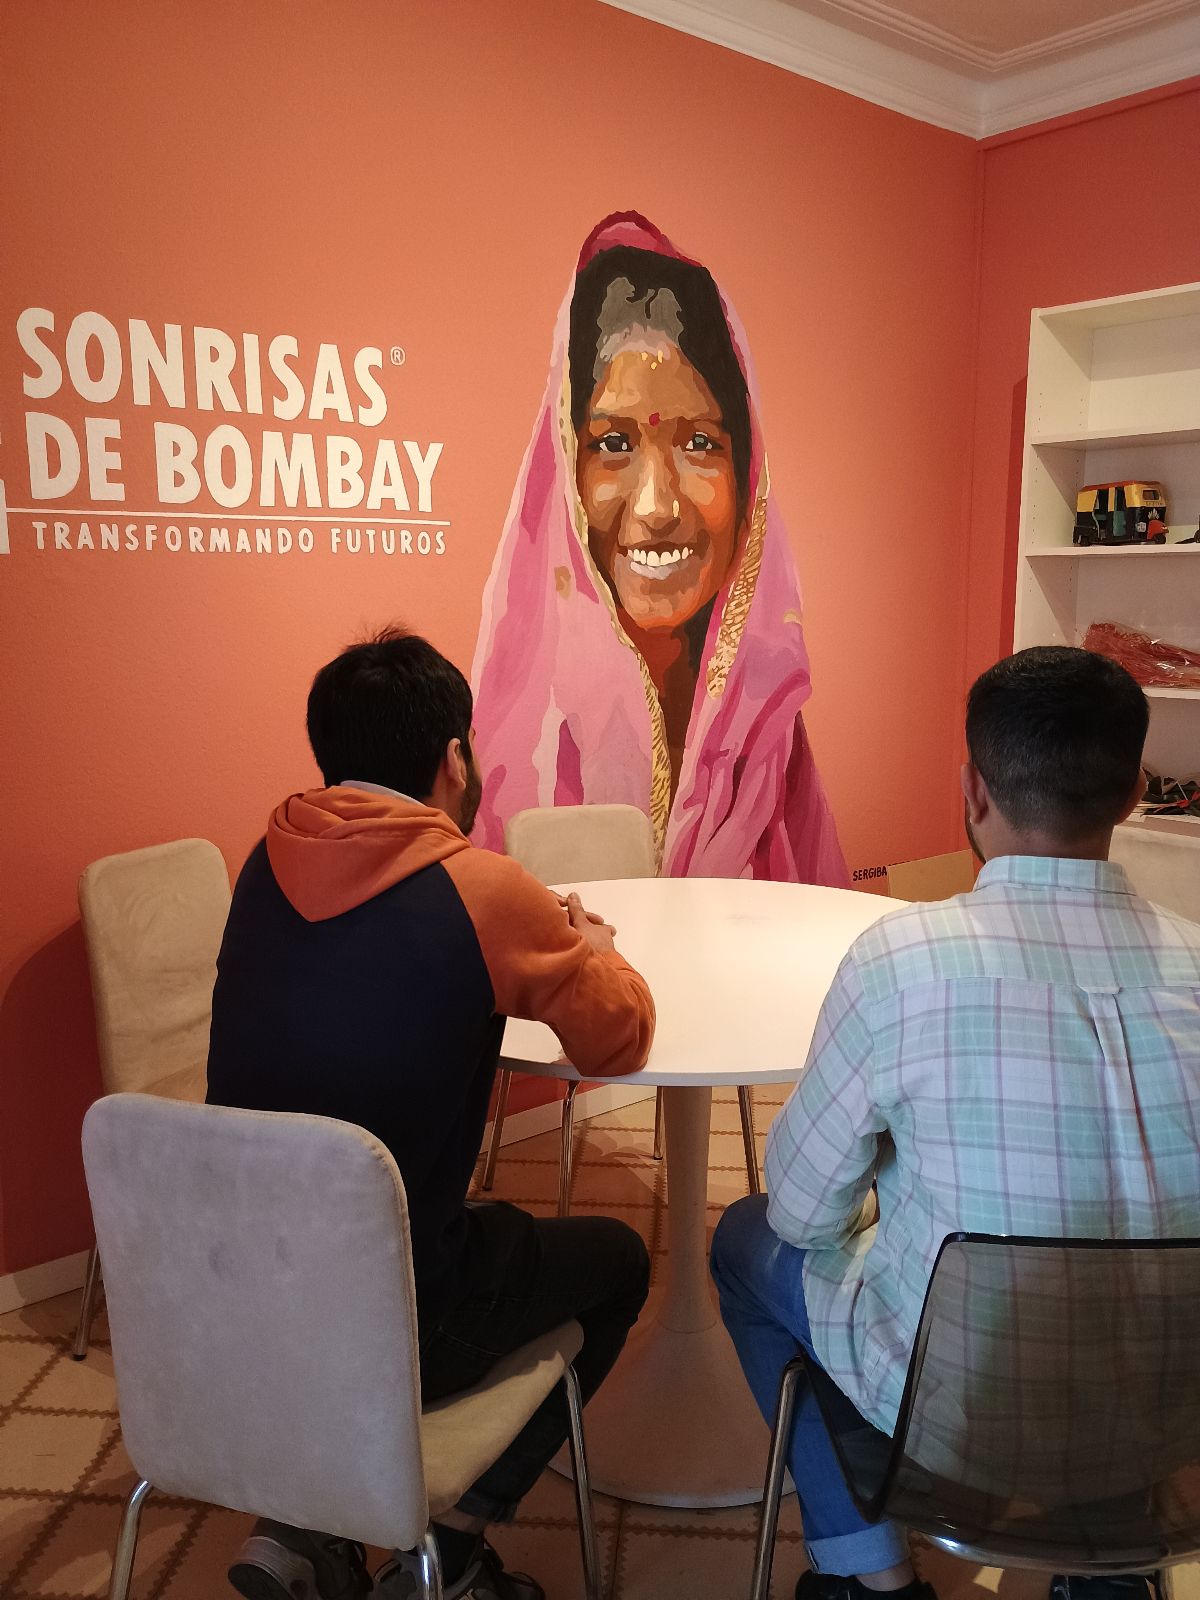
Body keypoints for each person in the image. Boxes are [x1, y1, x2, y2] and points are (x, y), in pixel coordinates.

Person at [711, 645, 1200, 1600]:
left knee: (743, 1241)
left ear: (971, 789)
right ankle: (1110, 1577)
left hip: (957, 1417)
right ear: (1136, 790)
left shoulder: (901, 960)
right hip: (1174, 1418)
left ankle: (866, 1572)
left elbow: (804, 1217)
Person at [206, 627, 655, 1600]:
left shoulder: (260, 864)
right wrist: (594, 946)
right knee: (619, 1262)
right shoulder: (481, 888)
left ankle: (301, 1529)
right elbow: (618, 1042)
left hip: (235, 1298)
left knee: (423, 1221)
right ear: (453, 759)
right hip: (401, 1312)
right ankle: (449, 1548)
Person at [471, 210, 847, 885]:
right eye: (613, 444)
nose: (657, 506)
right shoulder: (519, 749)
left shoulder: (767, 739)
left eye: (701, 442)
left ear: (748, 472)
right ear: (566, 469)